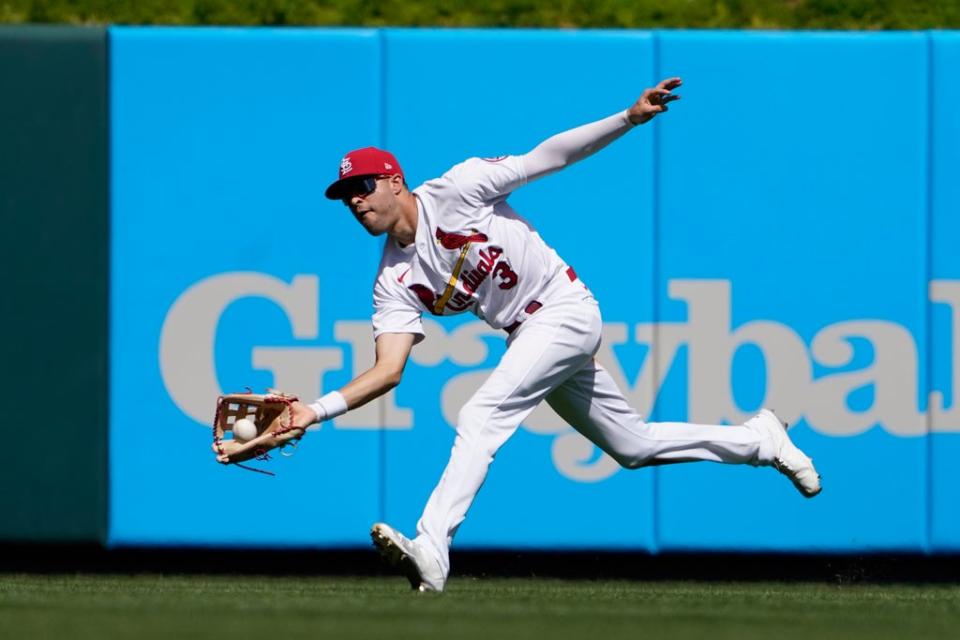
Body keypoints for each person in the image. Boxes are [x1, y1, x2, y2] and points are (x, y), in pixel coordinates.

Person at [288, 78, 821, 592]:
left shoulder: (458, 188)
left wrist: (628, 119)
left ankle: (432, 549)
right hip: (528, 335)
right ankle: (760, 439)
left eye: (362, 187)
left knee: (480, 414)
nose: (355, 201)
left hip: (564, 310)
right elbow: (388, 369)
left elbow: (550, 156)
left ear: (394, 180)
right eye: (345, 196)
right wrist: (314, 410)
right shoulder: (392, 281)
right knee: (632, 446)